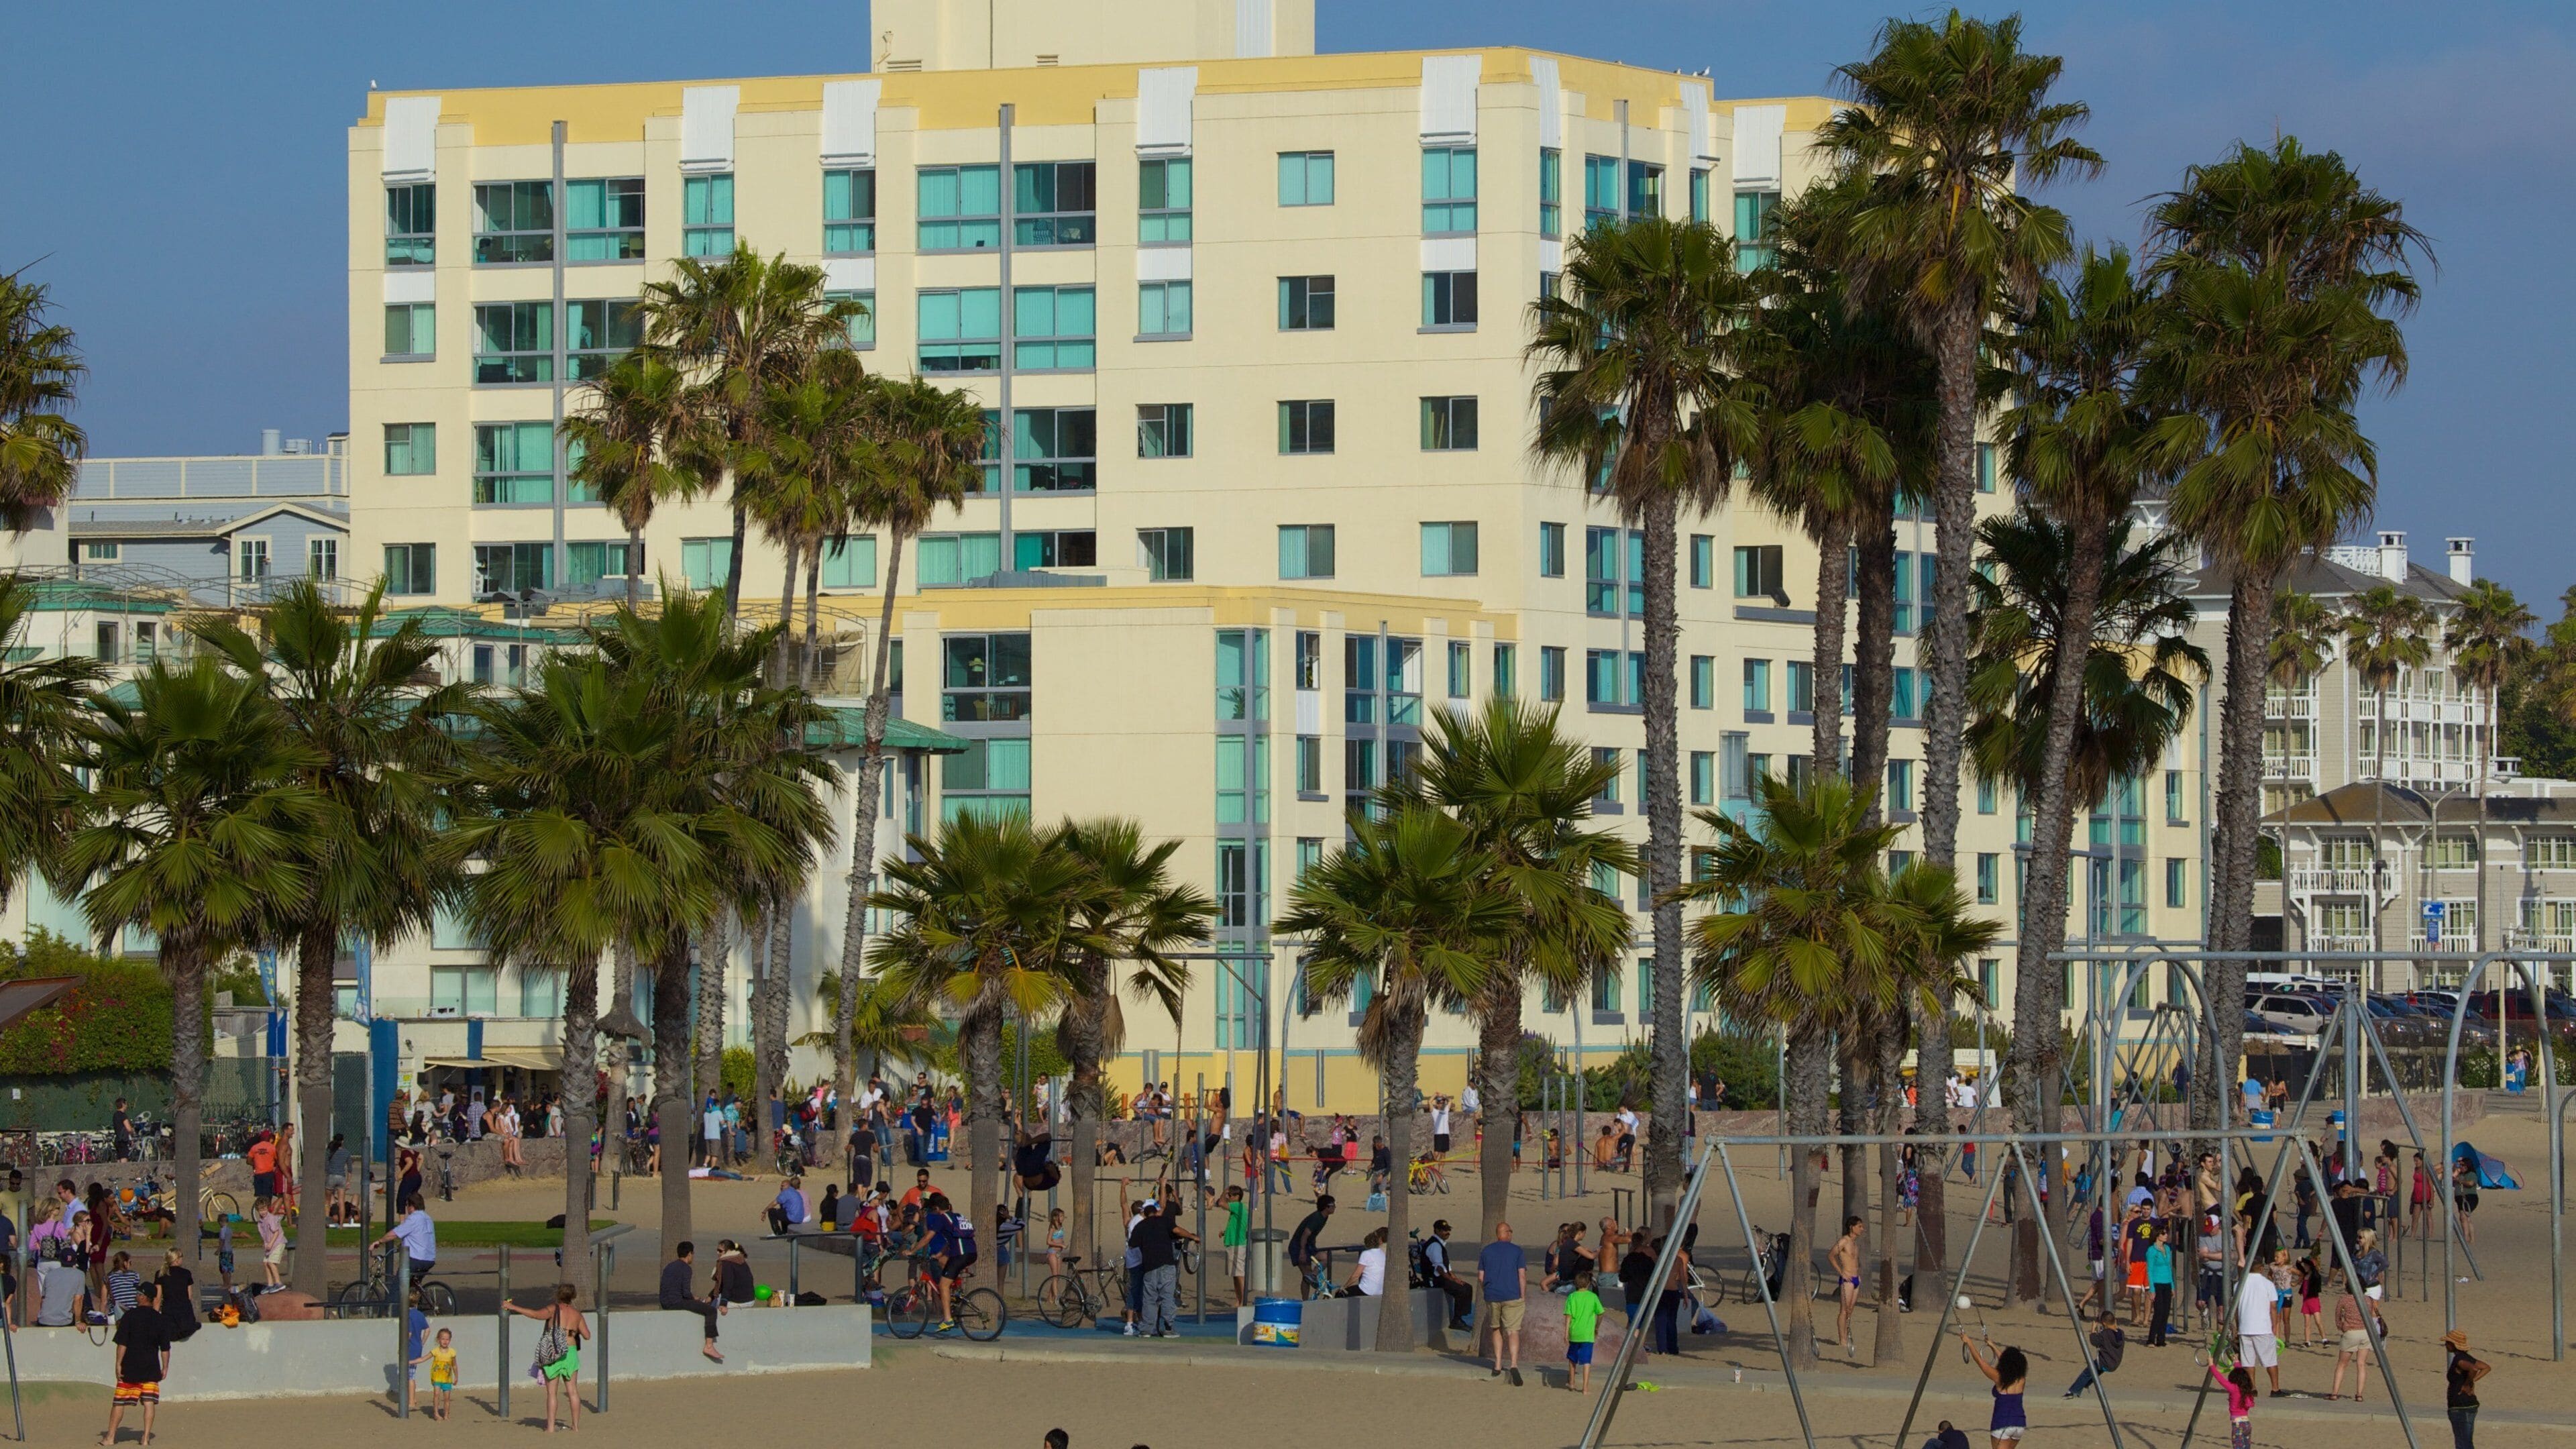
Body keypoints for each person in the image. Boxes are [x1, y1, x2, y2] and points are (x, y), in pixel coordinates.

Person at [506, 1283, 589, 1433]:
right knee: (573, 1392)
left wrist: (513, 1307)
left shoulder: (553, 1309)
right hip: (570, 1352)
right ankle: (575, 1426)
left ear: (558, 1294)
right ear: (573, 1296)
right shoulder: (577, 1314)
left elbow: (535, 1314)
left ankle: (550, 1427)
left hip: (554, 1351)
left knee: (552, 1392)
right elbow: (587, 1335)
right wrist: (571, 1332)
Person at [104, 1276, 170, 1446]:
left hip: (130, 1366)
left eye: (138, 1292)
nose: (136, 1294)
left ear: (143, 1297)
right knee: (149, 1403)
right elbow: (165, 1348)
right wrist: (165, 1367)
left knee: (119, 1402)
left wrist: (118, 1364)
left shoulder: (130, 1316)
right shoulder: (160, 1319)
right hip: (151, 1367)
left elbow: (122, 1344)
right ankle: (146, 1438)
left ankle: (110, 1437)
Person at [1129, 1199, 1191, 1336]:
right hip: (1167, 1264)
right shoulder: (1164, 1221)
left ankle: (1146, 1329)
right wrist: (1193, 1237)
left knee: (1149, 1299)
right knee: (1167, 1297)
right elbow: (1178, 1231)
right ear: (1156, 1212)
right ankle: (1169, 1328)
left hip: (1149, 1266)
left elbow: (1132, 1244)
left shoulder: (1141, 1226)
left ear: (1144, 1214)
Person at [1479, 1218, 1527, 1383]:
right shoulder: (1517, 1251)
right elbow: (1521, 1275)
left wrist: (1487, 1291)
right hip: (1512, 1295)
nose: (1511, 1234)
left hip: (1493, 1295)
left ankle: (1498, 1363)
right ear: (1505, 1233)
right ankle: (1513, 1364)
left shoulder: (1486, 1251)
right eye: (1510, 1231)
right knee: (1513, 1331)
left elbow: (1481, 1277)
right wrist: (1523, 1294)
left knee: (1496, 1328)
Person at [1959, 1337, 2028, 1447]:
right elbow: (2009, 1363)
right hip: (2019, 1424)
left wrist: (1969, 1343)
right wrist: (1993, 1346)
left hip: (2003, 1423)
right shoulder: (2021, 1380)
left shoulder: (2000, 1378)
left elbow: (1981, 1363)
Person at [659, 1242, 722, 1362]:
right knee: (711, 1311)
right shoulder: (686, 1268)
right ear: (689, 1254)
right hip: (676, 1302)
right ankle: (709, 1346)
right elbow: (686, 1292)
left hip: (665, 1302)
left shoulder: (669, 1266)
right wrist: (695, 1299)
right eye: (693, 1253)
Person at [2234, 1256, 2282, 1396]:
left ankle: (2252, 1387)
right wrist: (2274, 1325)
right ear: (2261, 1269)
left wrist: (2238, 1326)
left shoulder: (2239, 1284)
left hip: (2245, 1327)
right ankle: (2275, 1388)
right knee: (2270, 1360)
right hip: (2263, 1327)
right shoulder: (2267, 1284)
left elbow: (2236, 1309)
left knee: (2248, 1360)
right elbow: (2273, 1307)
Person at [374, 1193, 437, 1286]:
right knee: (412, 1287)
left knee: (397, 1287)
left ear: (412, 1206)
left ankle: (392, 1300)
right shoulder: (428, 1218)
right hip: (429, 1258)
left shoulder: (414, 1219)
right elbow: (418, 1237)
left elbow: (394, 1234)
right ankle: (415, 1297)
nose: (406, 1208)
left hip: (416, 1259)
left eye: (407, 1205)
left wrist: (379, 1241)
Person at [2328, 1271, 2371, 1401]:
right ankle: (2359, 1394)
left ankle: (2335, 1393)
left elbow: (2337, 1317)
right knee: (2361, 1364)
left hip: (2351, 1333)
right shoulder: (2367, 1300)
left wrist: (2342, 1327)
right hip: (2365, 1332)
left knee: (2342, 1364)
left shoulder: (2345, 1300)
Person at [1422, 1219, 1472, 1331]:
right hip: (1434, 1280)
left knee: (1467, 1287)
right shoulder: (1435, 1245)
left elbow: (1447, 1266)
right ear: (1437, 1231)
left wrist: (1455, 1278)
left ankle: (1460, 1317)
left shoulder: (1440, 1244)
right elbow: (1439, 1268)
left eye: (1448, 1230)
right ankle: (1456, 1320)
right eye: (1444, 1230)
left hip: (1441, 1278)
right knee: (1462, 1290)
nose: (1447, 1232)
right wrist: (1452, 1280)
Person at [2062, 1310, 2125, 1398]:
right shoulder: (2121, 1334)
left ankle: (2072, 1392)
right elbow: (2114, 1332)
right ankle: (2086, 1383)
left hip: (2105, 1363)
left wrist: (2093, 1330)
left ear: (2104, 1323)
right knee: (2096, 1370)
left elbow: (2094, 1341)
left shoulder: (2105, 1334)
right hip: (2115, 1363)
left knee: (2088, 1372)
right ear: (2115, 1321)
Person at [2443, 1328, 2489, 1449]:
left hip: (2460, 1406)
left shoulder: (2459, 1360)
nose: (2445, 1345)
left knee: (2462, 1444)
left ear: (2453, 1345)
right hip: (2469, 1405)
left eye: (2447, 1343)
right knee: (2467, 1442)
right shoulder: (2468, 1358)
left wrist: (2468, 1384)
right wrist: (2474, 1380)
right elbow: (2486, 1367)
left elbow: (2473, 1369)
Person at [1563, 1269, 1606, 1393]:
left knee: (1572, 1359)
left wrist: (1566, 1333)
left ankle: (1572, 1383)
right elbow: (1601, 1313)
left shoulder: (1572, 1297)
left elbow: (1568, 1316)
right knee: (1587, 1361)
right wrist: (1597, 1327)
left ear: (1576, 1284)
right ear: (1588, 1284)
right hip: (1588, 1334)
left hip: (1575, 1332)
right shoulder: (1593, 1297)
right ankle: (1585, 1388)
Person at [1286, 1195, 1334, 1300]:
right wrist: (1302, 1251)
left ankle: (1313, 1276)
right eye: (1333, 1205)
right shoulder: (1317, 1218)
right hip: (1299, 1246)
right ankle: (1305, 1299)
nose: (1335, 1207)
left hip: (1309, 1246)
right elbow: (1305, 1234)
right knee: (1306, 1275)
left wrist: (1313, 1247)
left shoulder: (1324, 1217)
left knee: (1326, 1258)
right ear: (1326, 1207)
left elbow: (1312, 1235)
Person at [1830, 1216, 1864, 1354]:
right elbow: (1831, 1255)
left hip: (1856, 1279)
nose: (1862, 1229)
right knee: (1844, 1310)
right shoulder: (1844, 1241)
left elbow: (1855, 1261)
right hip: (1847, 1280)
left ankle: (1846, 1334)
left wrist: (1858, 1275)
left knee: (1850, 1310)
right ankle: (1842, 1339)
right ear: (1852, 1227)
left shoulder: (1856, 1244)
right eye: (1859, 1226)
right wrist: (1841, 1272)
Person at [153, 1249, 198, 1342]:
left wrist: (154, 1317)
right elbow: (189, 1296)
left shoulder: (160, 1274)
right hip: (185, 1312)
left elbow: (157, 1298)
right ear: (177, 1259)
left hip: (169, 1311)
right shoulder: (186, 1273)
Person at [2213, 1361, 2257, 1449]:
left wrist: (2212, 1366)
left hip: (2238, 1424)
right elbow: (2242, 1374)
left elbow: (2220, 1379)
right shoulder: (2246, 1390)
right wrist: (2236, 1363)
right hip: (2247, 1424)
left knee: (2238, 1447)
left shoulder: (2234, 1389)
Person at [2144, 1226, 2175, 1346]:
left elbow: (2169, 1268)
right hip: (2157, 1283)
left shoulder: (2167, 1249)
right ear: (2158, 1235)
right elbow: (2149, 1271)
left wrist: (2172, 1286)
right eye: (2164, 1233)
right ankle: (2151, 1339)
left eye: (2166, 1233)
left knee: (2166, 1312)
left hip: (2167, 1282)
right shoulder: (2151, 1251)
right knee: (2159, 1312)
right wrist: (2152, 1289)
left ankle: (2161, 1339)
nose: (2166, 1235)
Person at [1220, 1186, 1249, 1305]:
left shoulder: (1238, 1206)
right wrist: (1225, 1233)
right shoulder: (1237, 1209)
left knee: (1239, 1274)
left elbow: (1221, 1203)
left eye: (1230, 1196)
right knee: (1235, 1274)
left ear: (1236, 1197)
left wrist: (1224, 1192)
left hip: (1237, 1244)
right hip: (1233, 1242)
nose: (1228, 1198)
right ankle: (1239, 1299)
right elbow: (1237, 1225)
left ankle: (1243, 1301)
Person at [1343, 1226, 1389, 1297]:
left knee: (1340, 1294)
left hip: (1367, 1290)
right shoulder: (1382, 1254)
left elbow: (1355, 1276)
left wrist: (1344, 1287)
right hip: (1380, 1291)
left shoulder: (1366, 1254)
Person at [425, 1325, 458, 1420]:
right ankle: (436, 1413)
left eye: (447, 1339)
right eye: (443, 1339)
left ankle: (446, 1415)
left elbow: (455, 1365)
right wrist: (412, 1361)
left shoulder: (452, 1352)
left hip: (447, 1379)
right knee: (436, 1395)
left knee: (447, 1398)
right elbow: (424, 1358)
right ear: (438, 1340)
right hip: (437, 1378)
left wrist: (456, 1377)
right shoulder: (435, 1351)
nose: (445, 1341)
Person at [256, 1197, 286, 1289]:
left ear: (268, 1208)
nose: (263, 1212)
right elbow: (264, 1235)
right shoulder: (260, 1223)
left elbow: (276, 1232)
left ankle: (278, 1283)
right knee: (266, 1262)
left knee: (271, 1262)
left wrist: (271, 1243)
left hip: (278, 1242)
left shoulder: (271, 1219)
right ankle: (270, 1284)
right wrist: (266, 1244)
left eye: (264, 1210)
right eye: (261, 1210)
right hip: (270, 1244)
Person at [112, 1097, 134, 1163]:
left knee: (119, 1159)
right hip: (123, 1140)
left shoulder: (115, 1115)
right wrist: (133, 1131)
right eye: (126, 1104)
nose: (127, 1106)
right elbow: (129, 1129)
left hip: (117, 1140)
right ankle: (124, 1173)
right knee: (124, 1159)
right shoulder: (123, 1115)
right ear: (123, 1104)